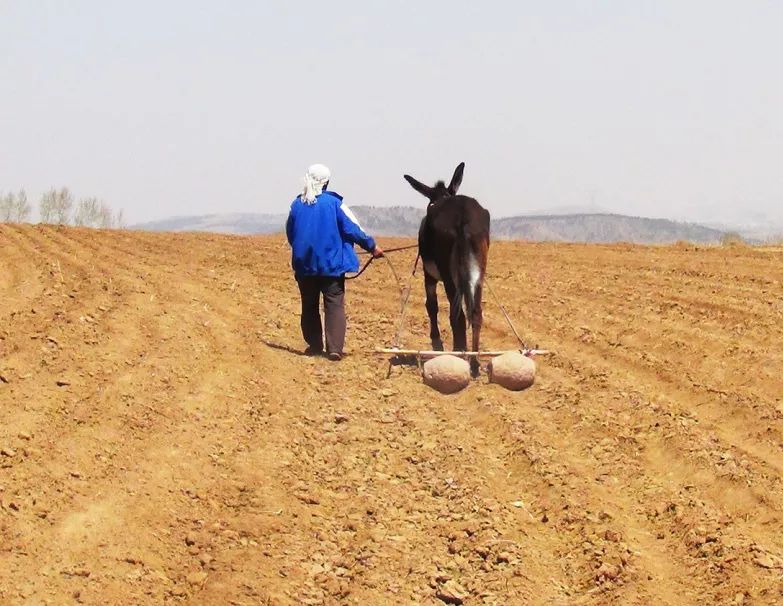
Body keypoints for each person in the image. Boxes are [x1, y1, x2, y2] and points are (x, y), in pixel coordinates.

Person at [286, 164, 383, 361]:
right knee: (334, 304)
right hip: (331, 266)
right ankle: (334, 349)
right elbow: (353, 229)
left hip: (305, 265)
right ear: (327, 182)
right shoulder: (334, 204)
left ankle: (314, 345)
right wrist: (372, 247)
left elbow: (291, 233)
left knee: (309, 305)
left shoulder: (296, 205)